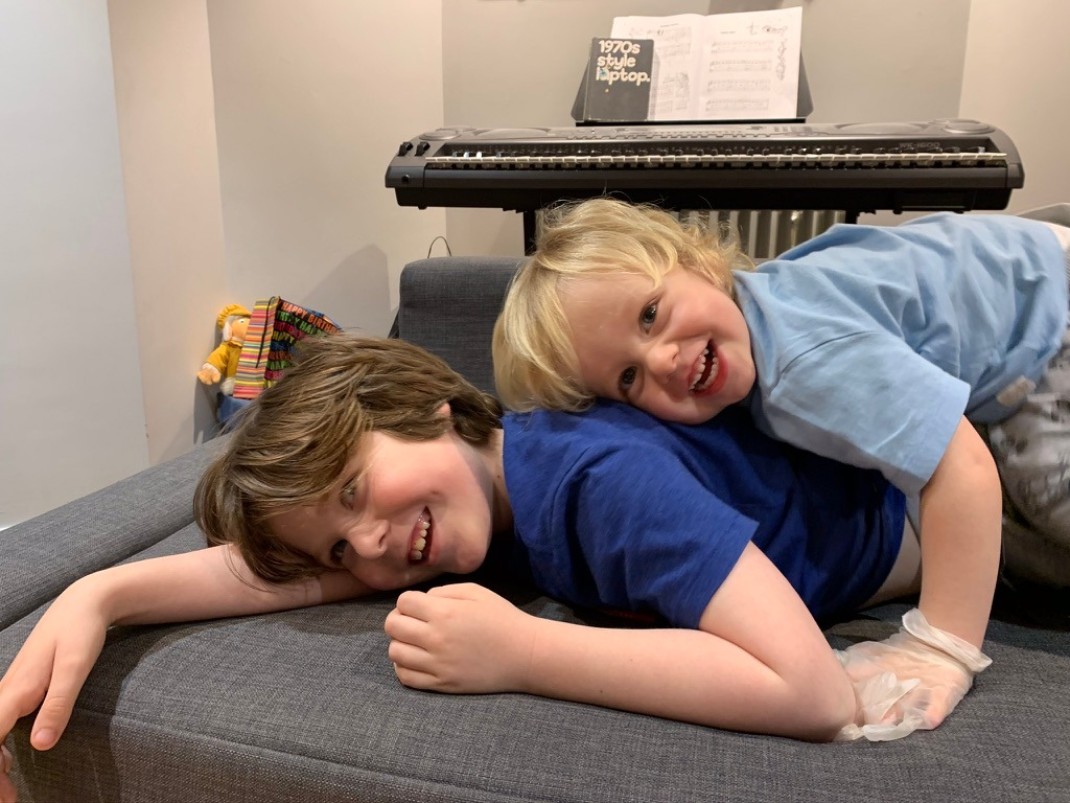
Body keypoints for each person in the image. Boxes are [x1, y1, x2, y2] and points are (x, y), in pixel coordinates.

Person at [1, 332, 979, 800]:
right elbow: (273, 574)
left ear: (431, 406)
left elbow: (812, 691)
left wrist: (524, 651)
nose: (367, 548)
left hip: (956, 514)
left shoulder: (596, 482)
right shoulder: (471, 496)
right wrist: (101, 593)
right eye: (340, 545)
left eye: (354, 490)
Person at [492, 196, 1070, 740]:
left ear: (695, 262)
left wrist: (938, 649)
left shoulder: (801, 360)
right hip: (1028, 281)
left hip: (1051, 313)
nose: (662, 359)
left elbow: (960, 465)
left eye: (650, 315)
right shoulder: (753, 330)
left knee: (1046, 489)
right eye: (628, 377)